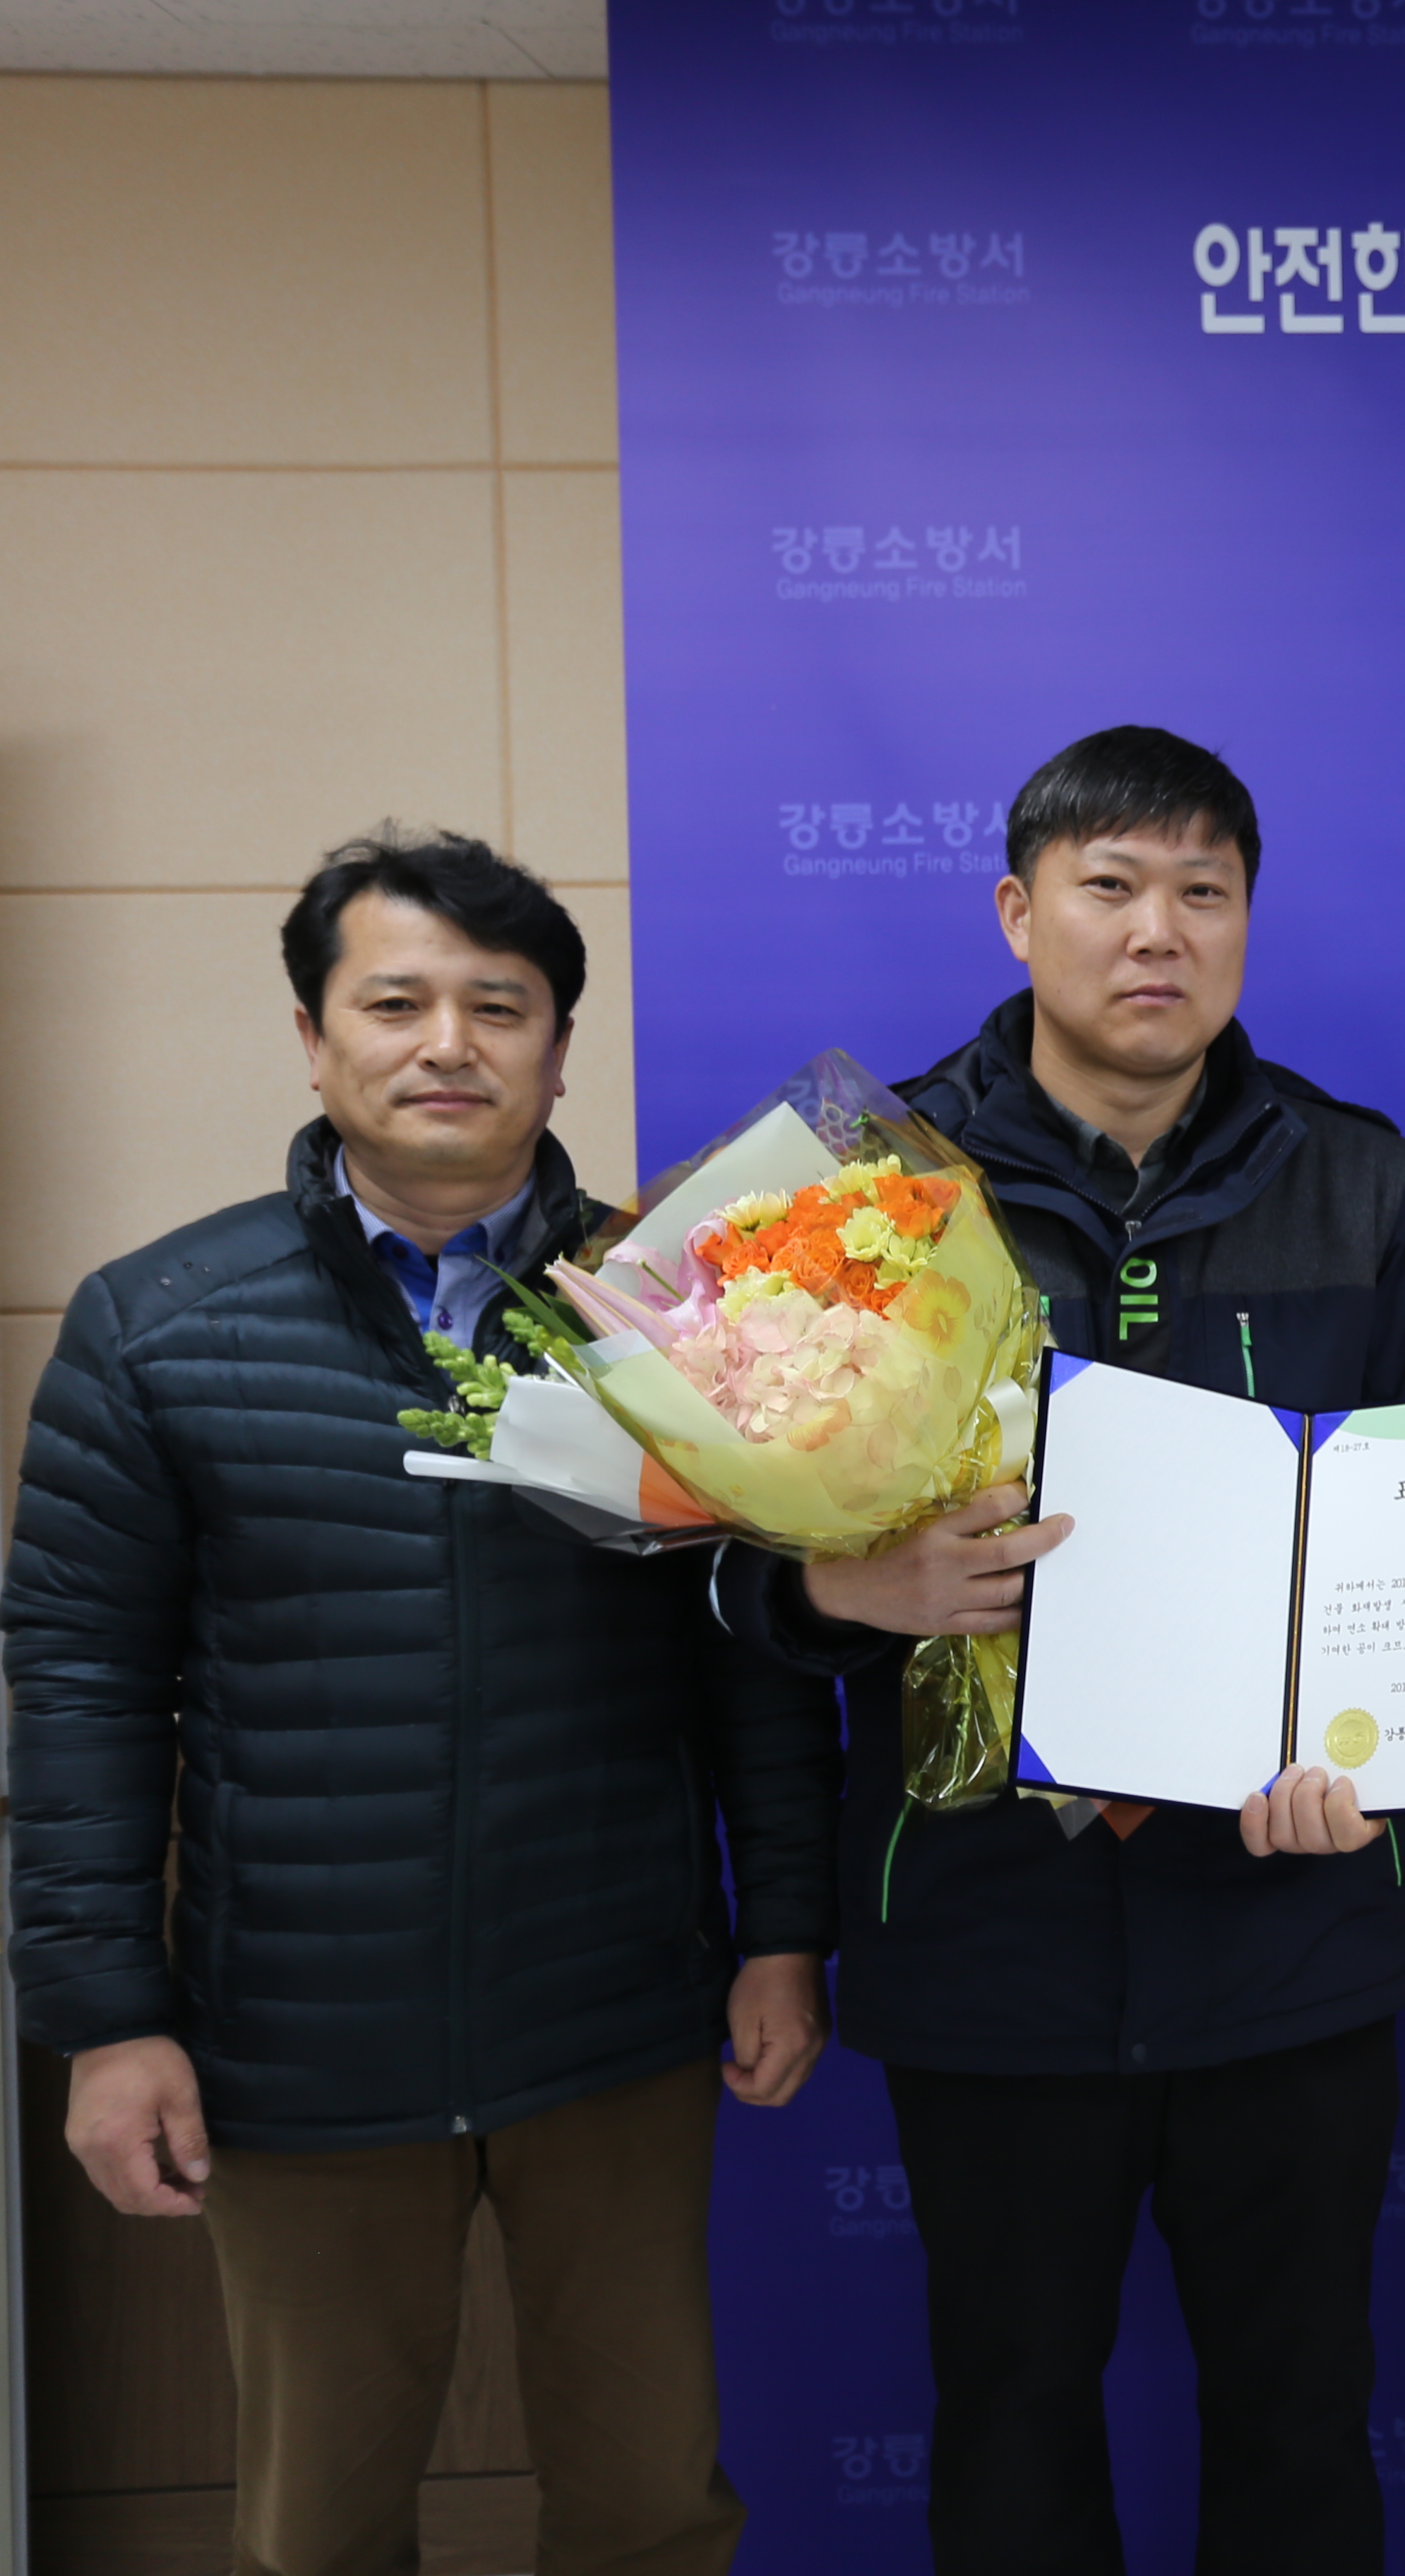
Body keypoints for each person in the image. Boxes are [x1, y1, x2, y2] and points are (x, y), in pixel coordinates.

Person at [710, 725, 1405, 2576]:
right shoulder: (866, 1191)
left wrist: (1382, 1761)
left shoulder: (1363, 1182)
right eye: (1112, 887)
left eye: (1204, 893)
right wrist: (848, 1595)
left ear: (1247, 924)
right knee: (1011, 2424)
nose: (1160, 932)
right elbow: (720, 1577)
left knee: (1303, 2420)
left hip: (1291, 1925)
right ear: (1018, 911)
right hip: (987, 1928)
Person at [5, 830, 840, 2576]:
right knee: (318, 2524)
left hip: (614, 2021)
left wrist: (786, 1929)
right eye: (394, 1003)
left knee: (650, 2505)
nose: (446, 1043)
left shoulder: (683, 1314)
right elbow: (80, 1685)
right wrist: (103, 2017)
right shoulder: (159, 1326)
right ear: (314, 1040)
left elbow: (748, 1645)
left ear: (559, 1050)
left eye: (498, 1006)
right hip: (299, 2043)